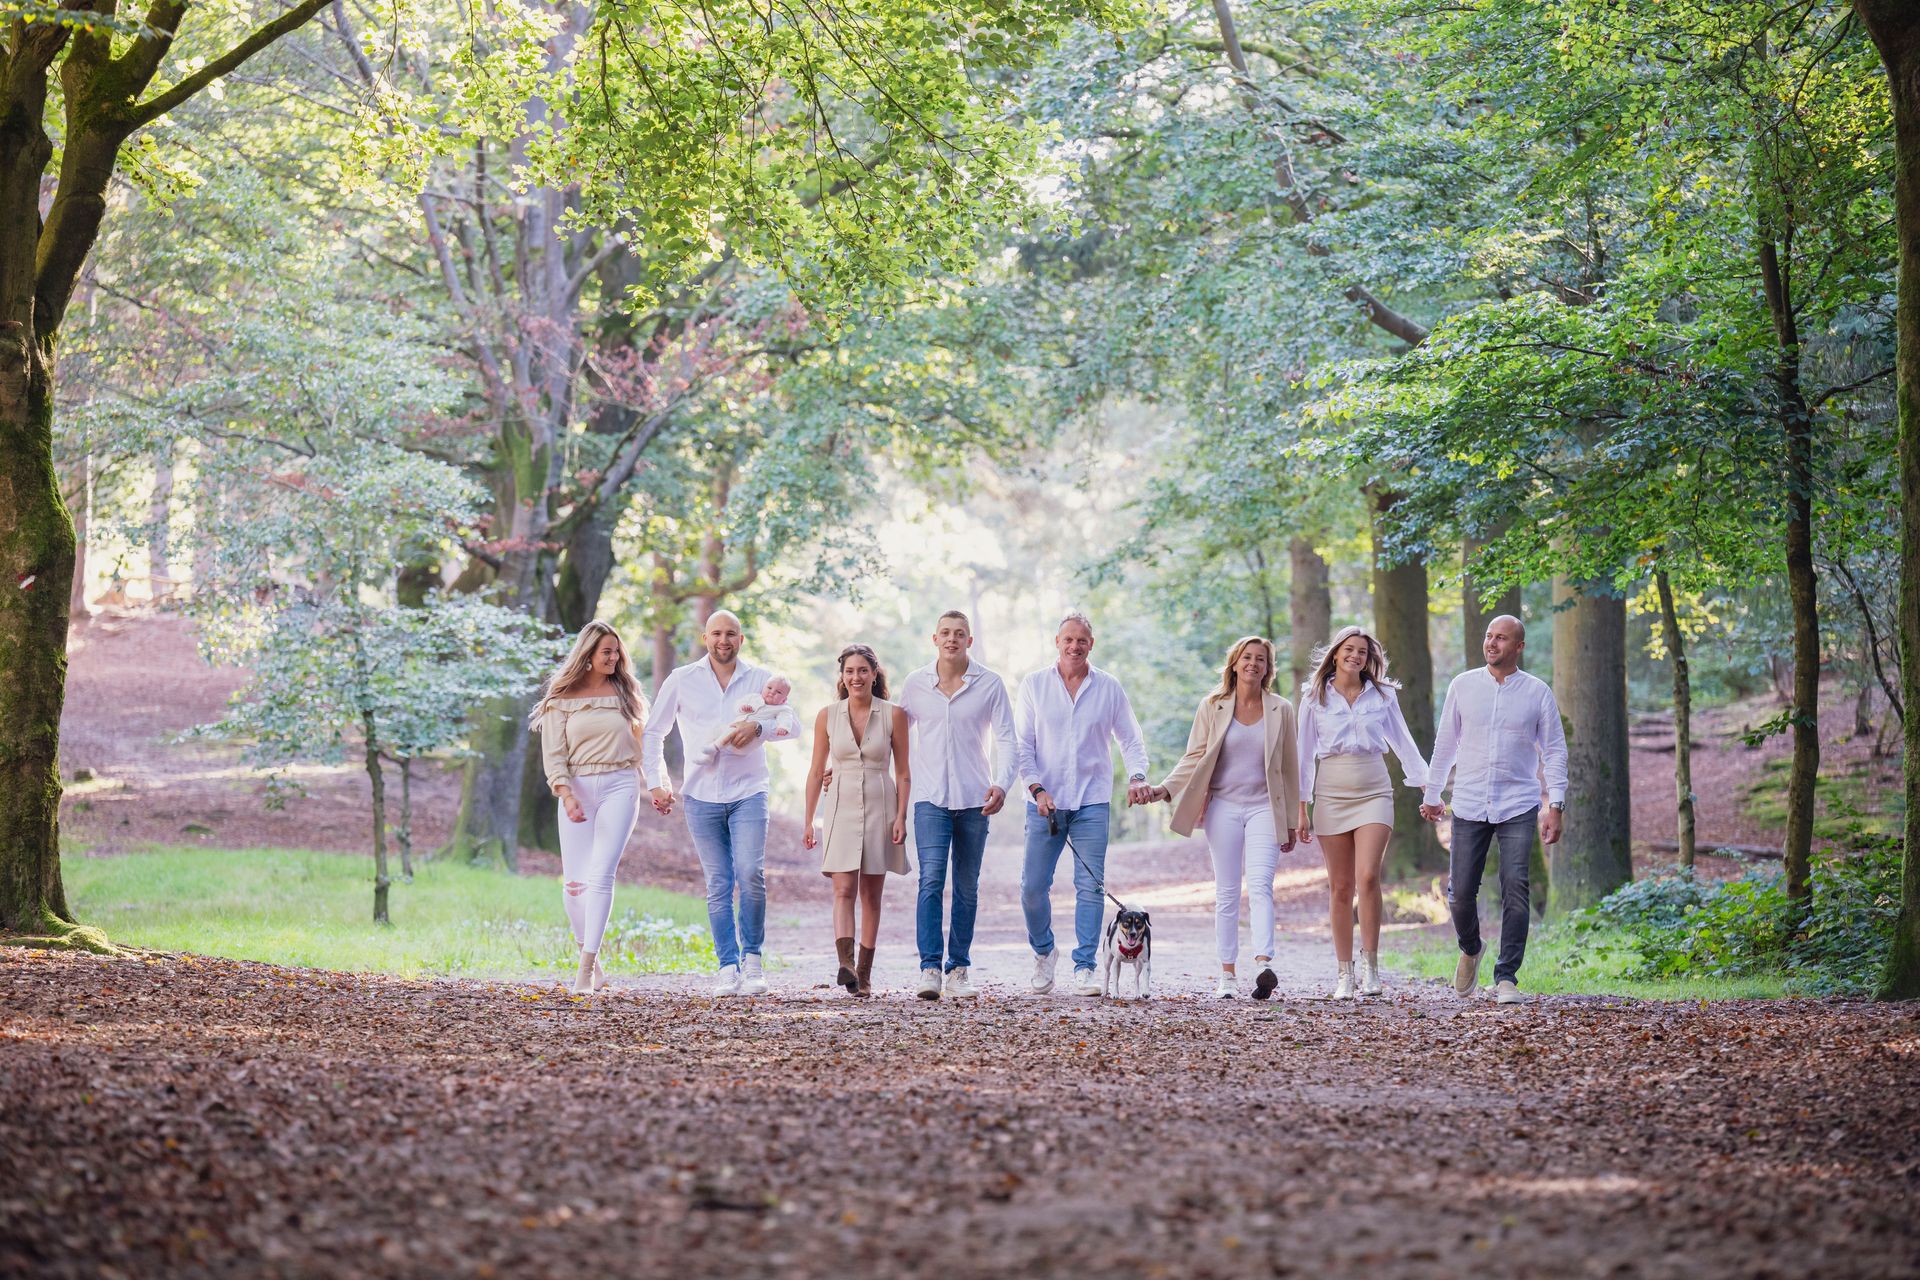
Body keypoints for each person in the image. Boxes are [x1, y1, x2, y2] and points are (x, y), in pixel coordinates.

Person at [643, 610, 801, 998]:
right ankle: (727, 966)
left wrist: (759, 727)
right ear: (705, 638)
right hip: (701, 795)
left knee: (750, 874)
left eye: (731, 634)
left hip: (749, 791)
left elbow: (793, 724)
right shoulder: (683, 679)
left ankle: (753, 962)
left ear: (741, 639)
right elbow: (653, 732)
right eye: (717, 633)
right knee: (718, 883)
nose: (723, 641)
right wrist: (656, 783)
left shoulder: (763, 680)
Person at [1421, 614, 1568, 1005]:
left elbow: (1554, 751)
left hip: (1518, 803)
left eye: (1501, 638)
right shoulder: (1463, 686)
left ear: (1518, 646)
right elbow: (1445, 744)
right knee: (1460, 893)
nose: (1492, 643)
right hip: (1468, 802)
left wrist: (1556, 805)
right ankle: (1471, 948)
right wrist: (1433, 793)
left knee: (1515, 887)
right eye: (1488, 636)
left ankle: (1507, 977)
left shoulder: (1537, 693)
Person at [1151, 636, 1299, 1000]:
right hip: (1223, 807)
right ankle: (1227, 975)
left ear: (1268, 668)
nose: (1253, 664)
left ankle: (1264, 963)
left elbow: (1290, 769)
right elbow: (1194, 757)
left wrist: (1294, 819)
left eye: (1260, 659)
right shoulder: (1212, 706)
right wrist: (1164, 789)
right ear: (1234, 663)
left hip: (1266, 806)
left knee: (1262, 884)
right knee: (1228, 891)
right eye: (1246, 657)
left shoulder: (1281, 709)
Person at [1016, 611, 1152, 998]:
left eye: (1082, 640)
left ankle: (1086, 966)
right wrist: (1036, 788)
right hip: (1045, 802)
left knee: (1090, 888)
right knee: (1032, 887)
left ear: (1091, 644)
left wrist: (1138, 775)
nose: (1074, 646)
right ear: (1057, 643)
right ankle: (1044, 952)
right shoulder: (1034, 685)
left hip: (1092, 800)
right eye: (1068, 640)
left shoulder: (1108, 687)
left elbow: (1130, 738)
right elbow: (1024, 745)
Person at [1296, 625, 1429, 1000]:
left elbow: (1403, 741)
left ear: (1370, 660)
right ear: (1336, 654)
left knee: (1368, 876)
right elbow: (1303, 755)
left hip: (1373, 788)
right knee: (1340, 887)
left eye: (1363, 652)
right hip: (1331, 791)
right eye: (1349, 650)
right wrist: (1301, 808)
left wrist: (1428, 787)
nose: (1356, 656)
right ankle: (1344, 974)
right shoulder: (1313, 697)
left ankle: (1371, 966)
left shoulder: (1383, 696)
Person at [896, 611, 1016, 1000]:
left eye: (959, 634)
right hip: (930, 798)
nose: (952, 639)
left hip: (974, 800)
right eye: (945, 633)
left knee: (966, 886)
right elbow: (892, 737)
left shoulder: (990, 684)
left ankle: (959, 968)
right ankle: (929, 968)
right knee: (931, 880)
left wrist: (1002, 783)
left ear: (970, 640)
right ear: (934, 639)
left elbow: (1008, 740)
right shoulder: (915, 685)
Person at [531, 621, 649, 996]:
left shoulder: (627, 693)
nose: (614, 658)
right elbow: (554, 756)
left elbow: (644, 744)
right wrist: (566, 794)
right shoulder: (560, 699)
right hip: (577, 787)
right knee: (574, 883)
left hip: (620, 784)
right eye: (606, 652)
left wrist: (657, 786)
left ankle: (584, 968)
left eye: (617, 651)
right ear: (588, 655)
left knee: (601, 875)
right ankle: (592, 960)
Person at [803, 645, 911, 997]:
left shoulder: (893, 715)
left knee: (871, 895)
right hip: (840, 807)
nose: (856, 677)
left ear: (874, 674)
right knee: (843, 889)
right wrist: (809, 820)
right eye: (849, 671)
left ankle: (864, 973)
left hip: (881, 805)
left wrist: (901, 816)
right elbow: (817, 770)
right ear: (842, 676)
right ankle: (845, 964)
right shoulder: (827, 716)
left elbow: (904, 773)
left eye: (863, 671)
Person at [691, 675, 793, 768]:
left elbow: (786, 718)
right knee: (715, 731)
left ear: (784, 700)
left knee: (734, 729)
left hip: (746, 743)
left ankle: (715, 746)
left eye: (778, 692)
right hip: (731, 733)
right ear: (763, 688)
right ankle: (709, 758)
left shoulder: (781, 709)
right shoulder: (753, 697)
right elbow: (737, 705)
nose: (772, 692)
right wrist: (742, 708)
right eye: (769, 688)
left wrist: (783, 727)